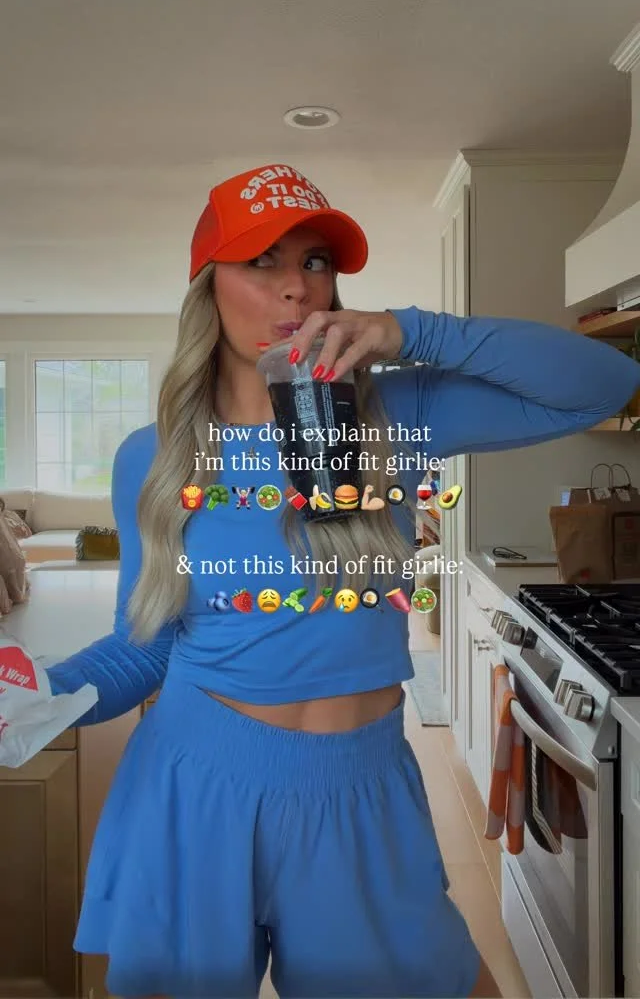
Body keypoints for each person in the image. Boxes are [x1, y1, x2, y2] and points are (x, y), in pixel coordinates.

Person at [47, 163, 640, 999]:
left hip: (362, 794)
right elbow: (143, 648)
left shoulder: (398, 414)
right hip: (194, 787)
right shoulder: (153, 457)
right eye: (262, 261)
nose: (295, 286)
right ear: (208, 287)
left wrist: (409, 333)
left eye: (315, 261)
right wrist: (38, 694)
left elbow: (603, 383)